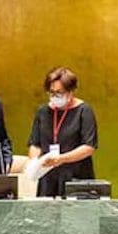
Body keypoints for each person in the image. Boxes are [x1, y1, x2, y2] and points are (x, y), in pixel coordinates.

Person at [27, 67, 98, 197]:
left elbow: (89, 147)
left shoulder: (84, 111)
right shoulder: (42, 112)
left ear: (71, 92)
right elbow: (35, 143)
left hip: (76, 177)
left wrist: (62, 159)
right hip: (48, 176)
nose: (54, 96)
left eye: (59, 92)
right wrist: (34, 162)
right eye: (51, 92)